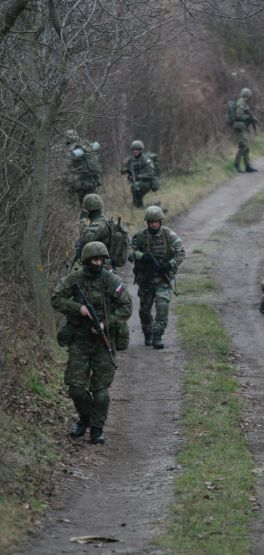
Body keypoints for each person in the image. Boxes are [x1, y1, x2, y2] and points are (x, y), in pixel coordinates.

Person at [51, 242, 133, 444]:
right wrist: (78, 308)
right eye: (94, 260)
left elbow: (126, 306)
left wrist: (105, 323)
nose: (98, 263)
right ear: (86, 260)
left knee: (101, 392)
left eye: (101, 260)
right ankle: (85, 418)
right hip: (79, 340)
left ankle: (97, 429)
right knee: (75, 388)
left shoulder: (111, 280)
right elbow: (56, 298)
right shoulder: (75, 279)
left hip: (103, 342)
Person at [129, 205, 185, 349]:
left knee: (162, 306)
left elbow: (181, 253)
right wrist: (142, 256)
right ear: (147, 223)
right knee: (144, 311)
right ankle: (147, 333)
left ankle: (157, 336)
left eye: (156, 222)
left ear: (160, 221)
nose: (154, 224)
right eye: (151, 222)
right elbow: (129, 251)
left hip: (162, 279)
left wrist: (169, 264)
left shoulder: (169, 235)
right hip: (146, 279)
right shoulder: (141, 236)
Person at [66, 129, 102, 205]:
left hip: (82, 182)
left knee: (85, 204)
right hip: (93, 179)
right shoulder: (86, 145)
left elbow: (68, 165)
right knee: (94, 201)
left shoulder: (72, 149)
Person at [120, 140, 158, 208]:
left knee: (136, 187)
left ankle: (139, 206)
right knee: (134, 187)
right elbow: (122, 170)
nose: (134, 151)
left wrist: (138, 176)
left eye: (136, 150)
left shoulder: (146, 159)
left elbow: (150, 174)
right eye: (133, 150)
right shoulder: (131, 160)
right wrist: (128, 170)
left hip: (148, 182)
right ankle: (137, 206)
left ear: (140, 150)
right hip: (137, 182)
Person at [232, 88, 258, 173]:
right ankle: (236, 166)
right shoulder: (240, 103)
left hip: (243, 127)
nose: (250, 97)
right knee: (243, 146)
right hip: (239, 127)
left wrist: (251, 118)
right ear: (247, 95)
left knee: (246, 147)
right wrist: (248, 117)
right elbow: (239, 116)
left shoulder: (244, 103)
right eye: (249, 96)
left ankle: (248, 167)